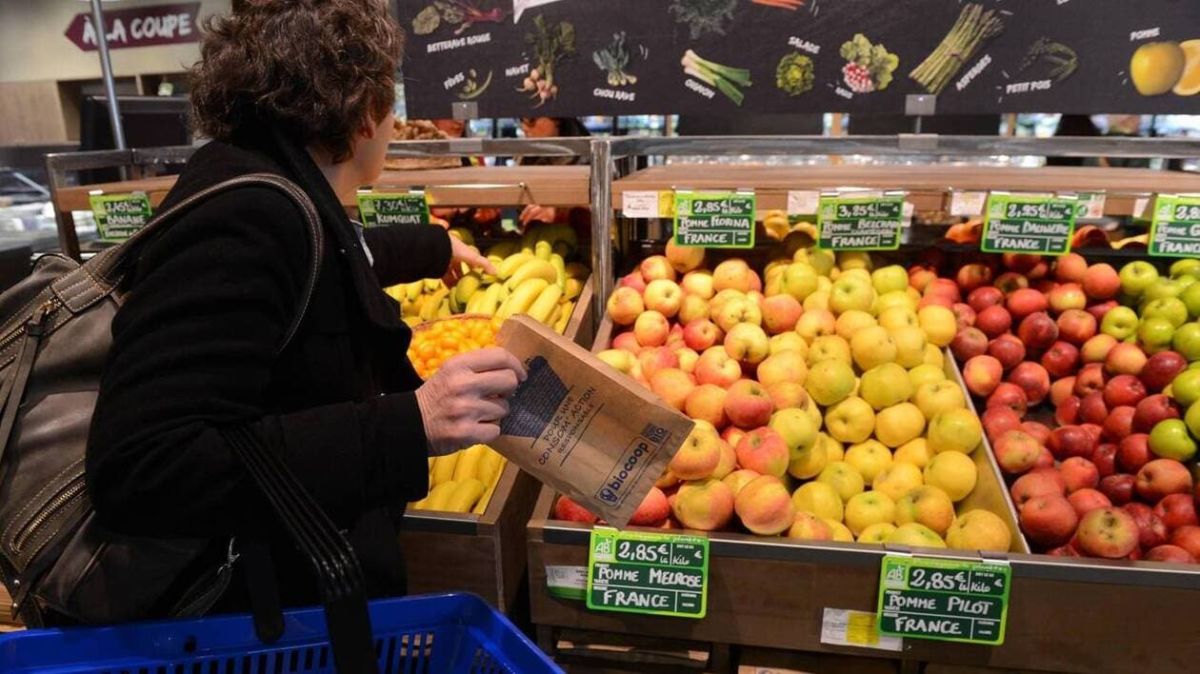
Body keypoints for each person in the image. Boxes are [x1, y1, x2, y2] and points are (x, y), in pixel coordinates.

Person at [84, 0, 525, 618]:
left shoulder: (263, 181)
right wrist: (412, 422)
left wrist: (431, 247)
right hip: (250, 622)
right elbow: (143, 468)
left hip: (282, 597)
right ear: (365, 110)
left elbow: (312, 262)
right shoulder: (245, 216)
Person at [517, 117, 590, 229]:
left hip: (581, 237)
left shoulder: (590, 158)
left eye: (531, 120)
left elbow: (605, 209)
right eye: (521, 120)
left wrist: (559, 212)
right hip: (538, 235)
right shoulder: (527, 158)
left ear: (557, 120)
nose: (524, 128)